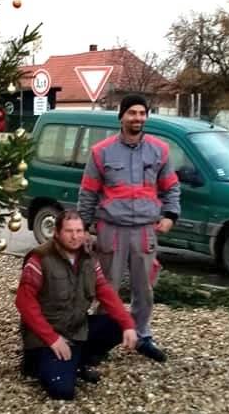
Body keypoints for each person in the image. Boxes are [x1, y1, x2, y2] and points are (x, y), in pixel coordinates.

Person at [77, 93, 180, 363]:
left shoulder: (160, 150)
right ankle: (100, 341)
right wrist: (85, 228)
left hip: (145, 231)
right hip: (111, 229)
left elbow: (171, 186)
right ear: (121, 116)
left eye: (142, 113)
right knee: (107, 287)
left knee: (144, 288)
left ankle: (142, 335)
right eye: (132, 112)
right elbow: (88, 192)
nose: (137, 118)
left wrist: (170, 215)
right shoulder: (101, 152)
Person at [15, 209, 137, 400]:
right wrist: (52, 338)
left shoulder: (88, 258)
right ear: (56, 232)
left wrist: (127, 324)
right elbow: (24, 302)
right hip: (45, 335)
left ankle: (76, 360)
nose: (75, 237)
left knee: (117, 325)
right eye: (69, 231)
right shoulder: (40, 259)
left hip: (75, 328)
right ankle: (37, 363)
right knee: (62, 391)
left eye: (79, 231)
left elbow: (104, 291)